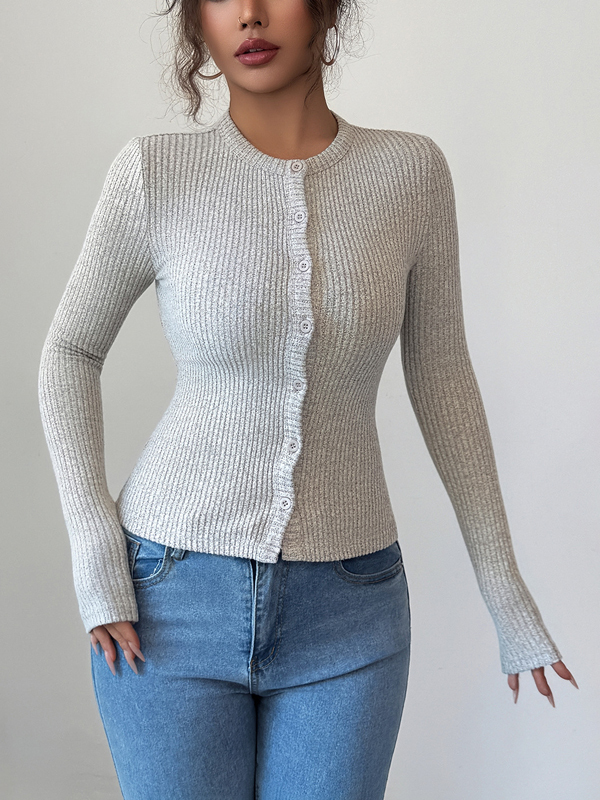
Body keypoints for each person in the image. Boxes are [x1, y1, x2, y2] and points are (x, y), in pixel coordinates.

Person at [38, 1, 578, 798]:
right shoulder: (156, 172)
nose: (251, 15)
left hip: (350, 610)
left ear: (326, 8)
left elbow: (442, 375)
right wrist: (96, 560)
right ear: (198, 24)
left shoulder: (410, 173)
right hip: (167, 600)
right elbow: (70, 352)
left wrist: (506, 595)